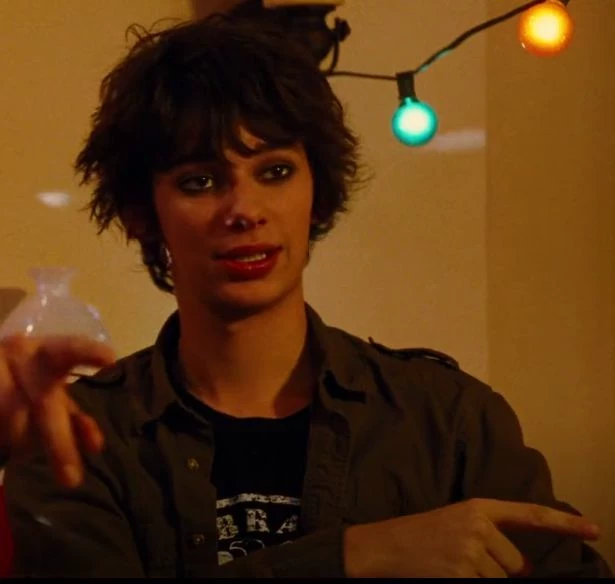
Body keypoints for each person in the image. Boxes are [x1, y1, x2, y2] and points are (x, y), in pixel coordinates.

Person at [0, 12, 612, 579]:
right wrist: (352, 556)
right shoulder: (79, 438)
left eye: (275, 172)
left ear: (317, 192)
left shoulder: (446, 420)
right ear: (142, 214)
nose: (245, 210)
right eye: (200, 181)